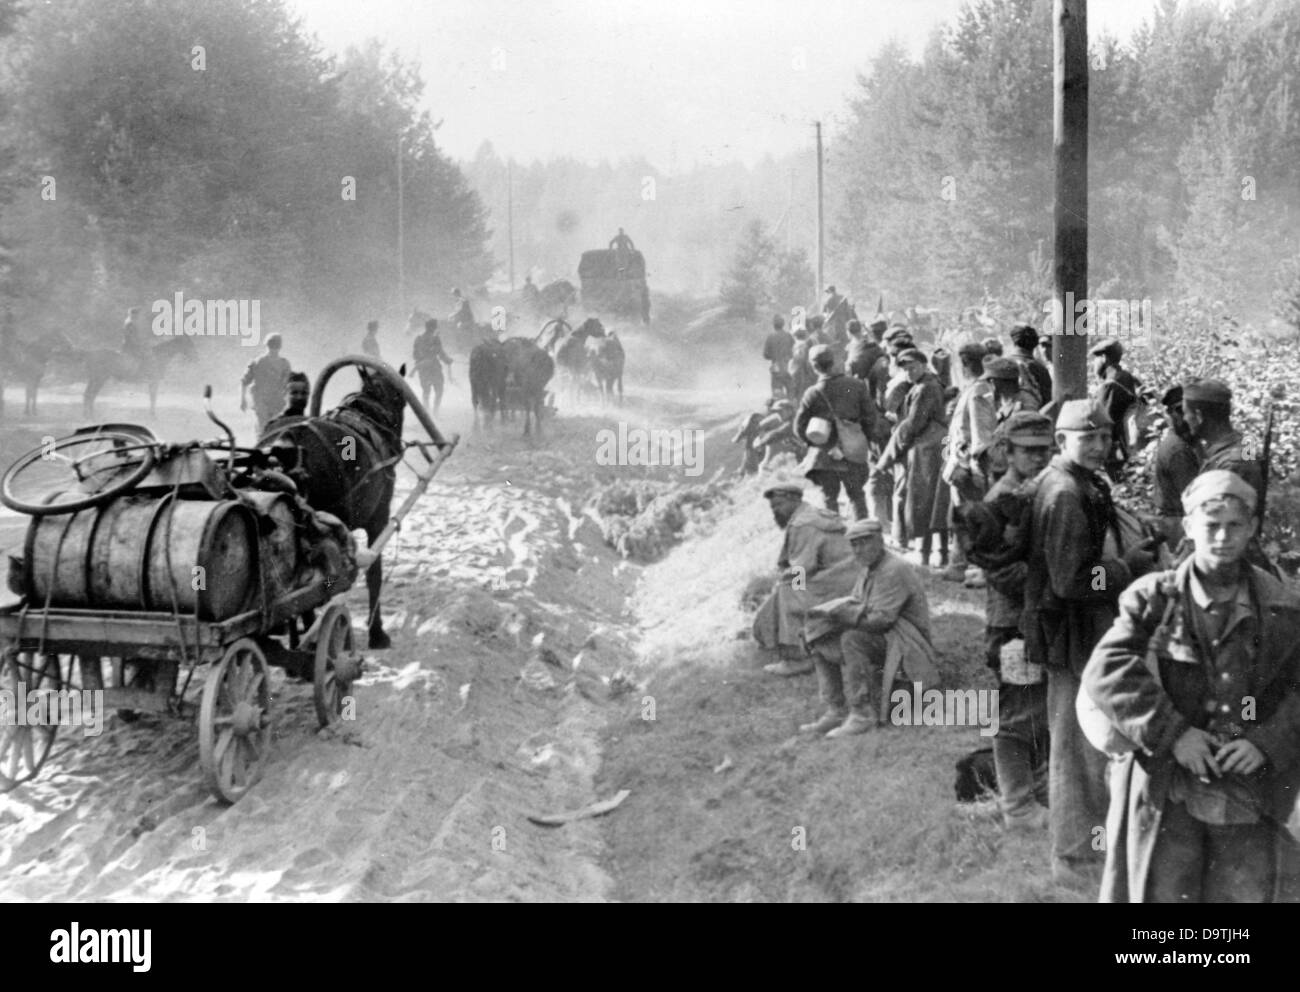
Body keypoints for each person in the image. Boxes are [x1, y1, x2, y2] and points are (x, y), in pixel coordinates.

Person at [1084, 470, 1300, 902]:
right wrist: (1174, 734)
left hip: (1247, 791)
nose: (1222, 537)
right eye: (1211, 526)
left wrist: (1265, 741)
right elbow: (1107, 669)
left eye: (1234, 526)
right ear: (1188, 527)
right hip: (1167, 787)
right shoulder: (1153, 599)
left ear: (1253, 527)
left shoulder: (1282, 606)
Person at [1022, 399, 1159, 885]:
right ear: (1062, 441)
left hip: (1081, 632)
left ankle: (1087, 853)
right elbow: (1071, 581)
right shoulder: (1064, 493)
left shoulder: (1080, 483)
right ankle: (1076, 863)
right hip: (1072, 635)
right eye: (1088, 438)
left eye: (1104, 436)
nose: (1100, 446)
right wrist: (1128, 569)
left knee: (1085, 749)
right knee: (1077, 754)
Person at [980, 412, 1055, 832]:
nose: (1038, 457)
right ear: (1007, 451)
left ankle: (1034, 790)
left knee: (1037, 708)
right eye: (1028, 450)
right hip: (1012, 626)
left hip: (1034, 619)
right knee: (1014, 715)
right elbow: (1002, 572)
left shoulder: (1037, 491)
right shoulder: (999, 502)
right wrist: (1057, 579)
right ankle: (1018, 806)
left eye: (1045, 450)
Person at [801, 518, 939, 738]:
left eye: (864, 542)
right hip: (887, 636)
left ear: (880, 541)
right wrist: (831, 617)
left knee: (852, 639)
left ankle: (862, 714)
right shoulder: (869, 568)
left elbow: (882, 621)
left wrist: (843, 615)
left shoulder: (894, 569)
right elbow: (858, 604)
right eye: (854, 544)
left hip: (907, 642)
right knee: (818, 636)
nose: (858, 549)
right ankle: (836, 709)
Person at [752, 482, 859, 677]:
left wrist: (791, 586)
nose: (776, 511)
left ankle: (799, 658)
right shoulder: (810, 513)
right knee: (787, 588)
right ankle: (772, 636)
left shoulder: (802, 524)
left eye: (779, 505)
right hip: (848, 576)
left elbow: (802, 568)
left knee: (789, 591)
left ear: (794, 500)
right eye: (773, 507)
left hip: (839, 582)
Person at [794, 344, 881, 520]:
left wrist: (815, 443)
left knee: (829, 499)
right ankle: (863, 538)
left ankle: (836, 540)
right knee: (857, 496)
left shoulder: (812, 393)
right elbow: (871, 419)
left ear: (814, 367)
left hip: (825, 456)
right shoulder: (855, 385)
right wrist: (866, 441)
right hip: (853, 451)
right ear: (833, 362)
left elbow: (798, 428)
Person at [879, 348, 946, 559]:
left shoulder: (925, 388)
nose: (909, 373)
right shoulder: (925, 384)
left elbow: (913, 424)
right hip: (933, 448)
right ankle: (937, 552)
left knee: (923, 501)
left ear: (924, 365)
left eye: (913, 368)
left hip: (926, 452)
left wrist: (887, 457)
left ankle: (925, 552)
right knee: (935, 501)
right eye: (906, 370)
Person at [1150, 384, 1201, 547]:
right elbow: (1194, 499)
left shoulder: (1184, 443)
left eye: (1189, 410)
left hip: (1175, 523)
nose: (1185, 417)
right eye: (1179, 411)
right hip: (1177, 526)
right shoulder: (1178, 450)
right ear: (1170, 415)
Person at [1090, 338, 1143, 479]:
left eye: (1096, 358)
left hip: (1119, 451)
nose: (1094, 364)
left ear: (1104, 358)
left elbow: (1104, 422)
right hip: (1135, 447)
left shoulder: (1109, 385)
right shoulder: (1129, 377)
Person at [241, 333, 292, 437]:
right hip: (267, 402)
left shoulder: (258, 362)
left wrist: (243, 400)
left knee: (268, 429)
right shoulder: (281, 363)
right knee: (268, 429)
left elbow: (244, 382)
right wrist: (243, 400)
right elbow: (244, 381)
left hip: (272, 402)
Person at [413, 317, 454, 414]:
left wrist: (421, 360)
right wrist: (448, 361)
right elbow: (440, 353)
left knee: (426, 391)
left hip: (422, 368)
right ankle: (435, 412)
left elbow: (414, 355)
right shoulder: (435, 339)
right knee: (439, 390)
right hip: (434, 368)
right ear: (433, 328)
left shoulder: (418, 338)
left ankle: (426, 412)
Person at [1008, 323, 1052, 409]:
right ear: (1035, 343)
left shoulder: (1004, 364)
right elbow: (1048, 401)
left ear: (1014, 341)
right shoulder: (1039, 368)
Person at [762, 315, 794, 399]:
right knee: (790, 393)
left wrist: (774, 356)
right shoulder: (789, 336)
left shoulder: (770, 337)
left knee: (777, 395)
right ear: (783, 324)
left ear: (773, 325)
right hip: (788, 368)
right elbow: (793, 351)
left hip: (776, 369)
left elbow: (765, 354)